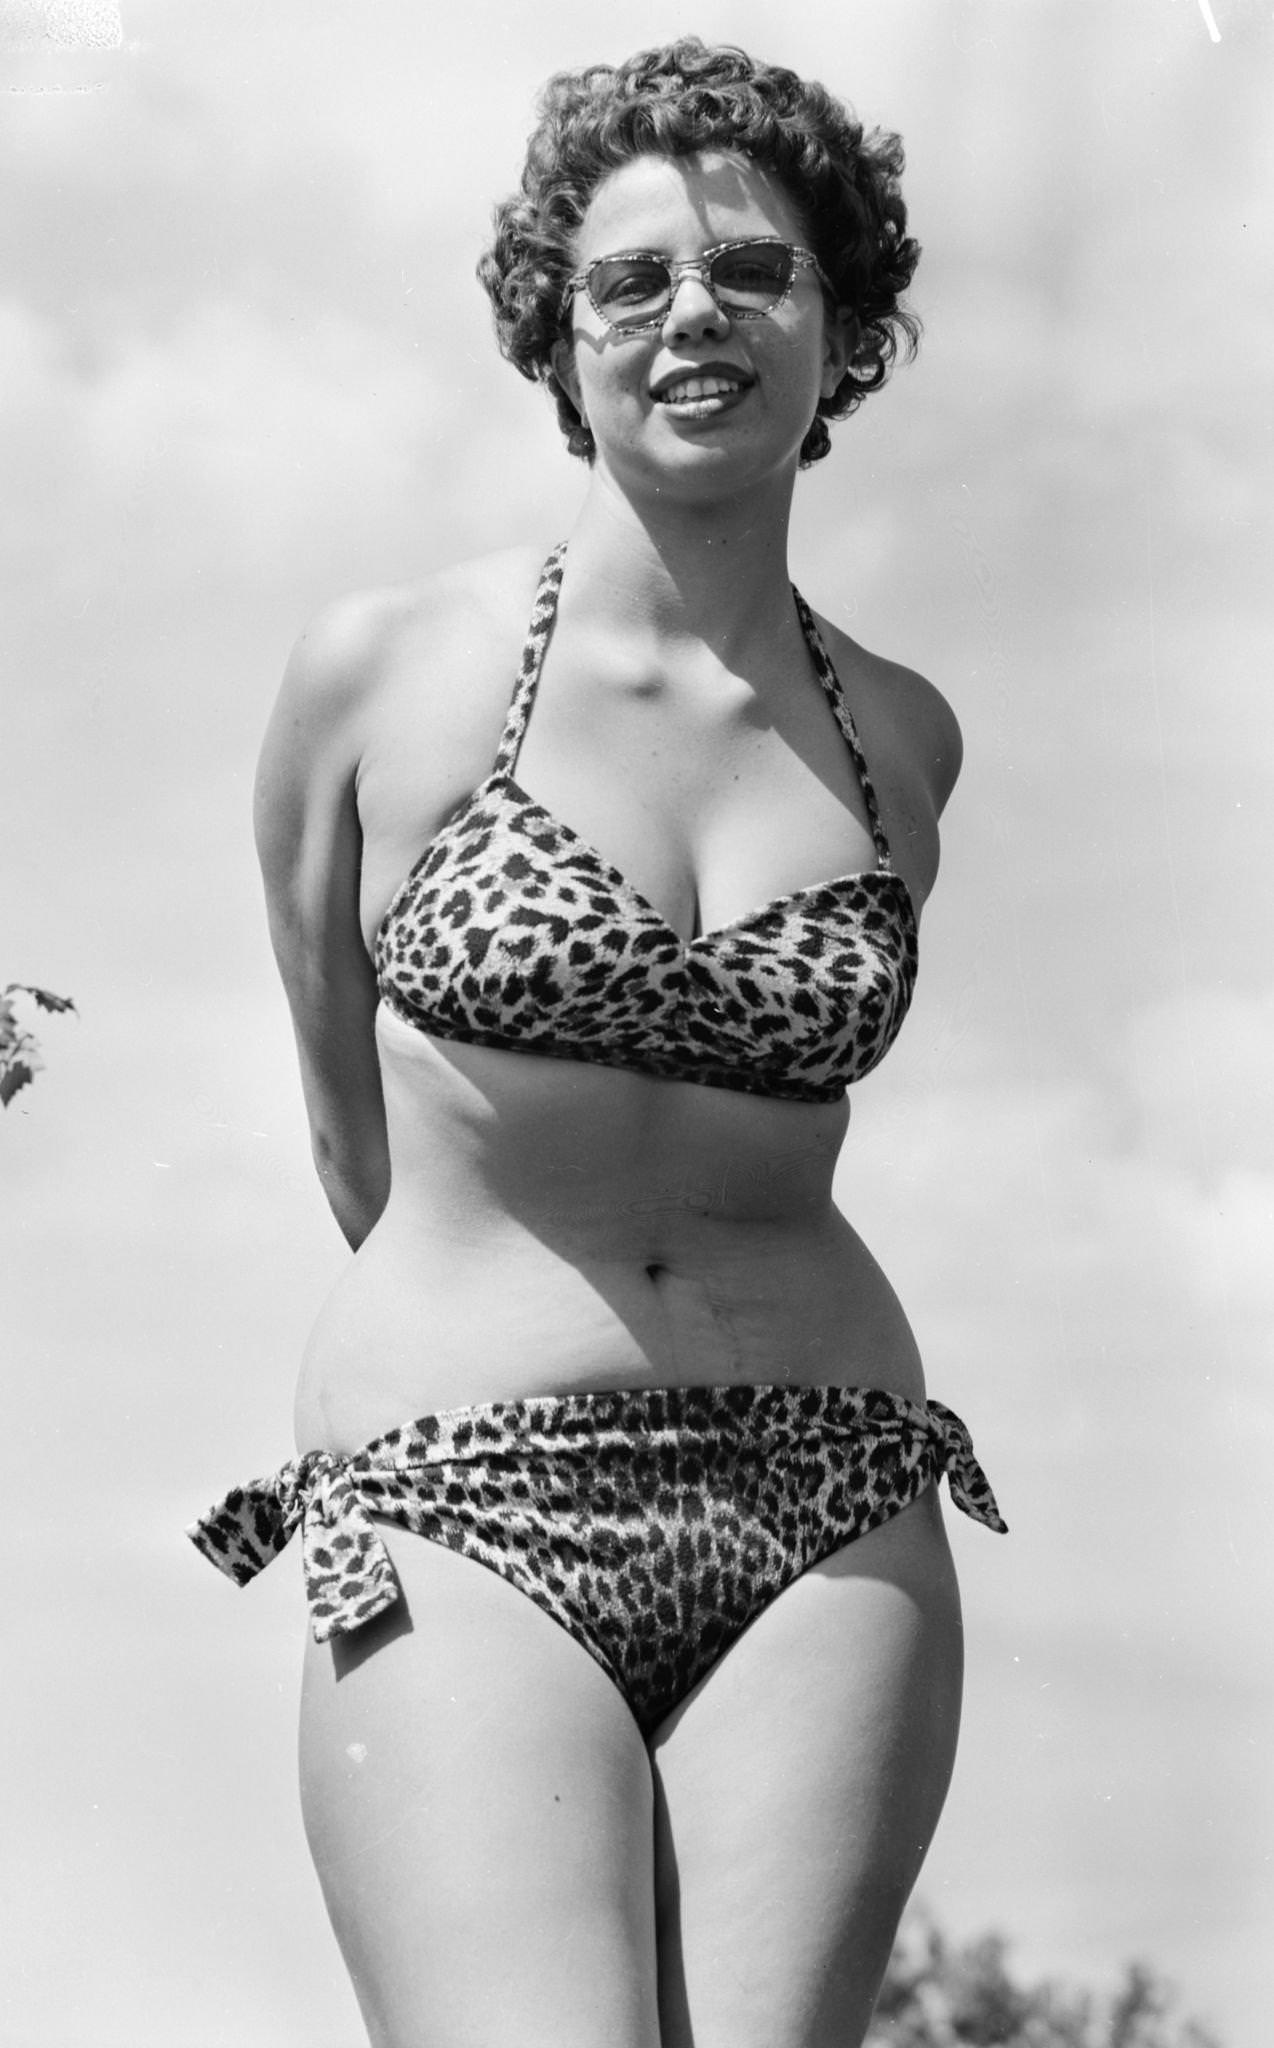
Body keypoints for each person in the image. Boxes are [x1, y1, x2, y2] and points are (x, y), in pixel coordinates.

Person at [189, 37, 1005, 2048]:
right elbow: (345, 1130)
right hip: (461, 1494)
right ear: (557, 336)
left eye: (753, 271)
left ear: (847, 322)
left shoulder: (901, 736)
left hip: (828, 1498)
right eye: (631, 281)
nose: (693, 316)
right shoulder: (385, 674)